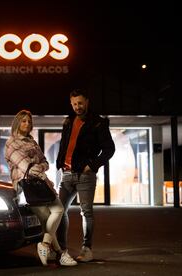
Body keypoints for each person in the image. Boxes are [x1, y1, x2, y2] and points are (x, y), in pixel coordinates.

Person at [5, 109, 77, 266]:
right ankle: (61, 254)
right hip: (26, 186)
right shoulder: (11, 143)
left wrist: (39, 166)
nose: (27, 124)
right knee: (45, 219)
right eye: (24, 121)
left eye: (29, 121)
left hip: (40, 183)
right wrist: (38, 167)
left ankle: (44, 245)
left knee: (58, 210)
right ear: (17, 123)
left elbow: (45, 162)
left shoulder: (32, 141)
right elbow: (26, 168)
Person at [56, 89, 115, 262]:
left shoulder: (98, 123)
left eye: (80, 103)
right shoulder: (68, 121)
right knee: (59, 211)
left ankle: (87, 249)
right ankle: (61, 249)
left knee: (86, 212)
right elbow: (64, 145)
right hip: (66, 174)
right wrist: (60, 164)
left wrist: (93, 165)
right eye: (74, 104)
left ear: (87, 102)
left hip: (85, 175)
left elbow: (109, 149)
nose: (77, 107)